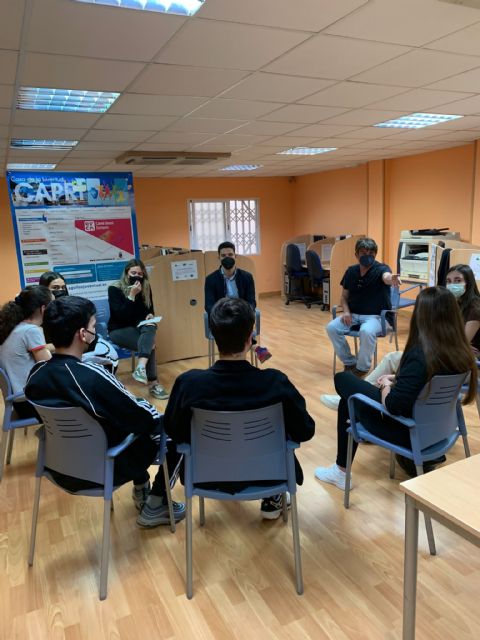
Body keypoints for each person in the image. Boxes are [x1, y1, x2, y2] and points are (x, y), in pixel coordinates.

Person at [24, 295, 185, 528]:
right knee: (173, 428)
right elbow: (143, 419)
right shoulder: (92, 375)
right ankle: (157, 503)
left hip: (58, 466)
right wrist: (145, 406)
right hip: (102, 469)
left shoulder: (36, 374)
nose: (95, 331)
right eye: (93, 326)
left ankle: (142, 487)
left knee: (116, 422)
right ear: (82, 334)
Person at [163, 297, 315, 520]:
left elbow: (173, 430)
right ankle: (273, 498)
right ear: (250, 338)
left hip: (207, 475)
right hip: (270, 475)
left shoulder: (188, 384)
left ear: (213, 335)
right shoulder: (276, 383)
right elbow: (305, 430)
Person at [315, 286, 477, 490]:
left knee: (344, 382)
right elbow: (427, 379)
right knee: (350, 400)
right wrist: (397, 378)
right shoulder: (461, 353)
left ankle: (340, 471)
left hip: (409, 431)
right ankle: (340, 470)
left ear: (420, 316)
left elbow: (392, 405)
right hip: (440, 430)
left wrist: (386, 385)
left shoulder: (420, 354)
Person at [321, 263, 480, 412]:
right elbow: (451, 341)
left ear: (469, 282)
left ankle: (353, 397)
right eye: (449, 281)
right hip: (448, 357)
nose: (452, 285)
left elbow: (457, 343)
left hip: (458, 362)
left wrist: (389, 383)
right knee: (393, 359)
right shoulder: (454, 304)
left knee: (397, 363)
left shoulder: (473, 308)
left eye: (458, 280)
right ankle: (355, 396)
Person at [326, 237, 401, 377]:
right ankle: (350, 362)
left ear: (375, 255)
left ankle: (362, 368)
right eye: (364, 253)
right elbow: (344, 297)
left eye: (371, 253)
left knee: (366, 331)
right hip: (353, 315)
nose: (368, 256)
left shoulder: (381, 269)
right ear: (356, 255)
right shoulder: (351, 271)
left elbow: (386, 277)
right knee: (331, 328)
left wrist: (391, 279)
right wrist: (346, 312)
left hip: (378, 317)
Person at [108, 259, 168, 400]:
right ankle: (153, 383)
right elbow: (121, 316)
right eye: (133, 273)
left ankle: (141, 367)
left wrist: (150, 315)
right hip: (118, 329)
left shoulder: (146, 287)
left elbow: (149, 309)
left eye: (140, 274)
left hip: (138, 327)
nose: (137, 276)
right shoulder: (114, 288)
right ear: (126, 273)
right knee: (150, 344)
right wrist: (132, 295)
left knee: (151, 325)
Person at [204, 241, 271, 364]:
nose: (227, 258)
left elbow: (251, 301)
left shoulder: (247, 277)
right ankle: (255, 347)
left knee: (239, 322)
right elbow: (209, 305)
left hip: (241, 315)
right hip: (221, 318)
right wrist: (221, 316)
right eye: (223, 256)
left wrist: (245, 313)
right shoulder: (210, 279)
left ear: (235, 256)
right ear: (219, 258)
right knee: (232, 326)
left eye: (230, 255)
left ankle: (234, 362)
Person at [39, 270, 119, 371]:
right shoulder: (39, 315)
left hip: (81, 353)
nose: (60, 291)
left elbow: (84, 339)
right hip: (58, 361)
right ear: (44, 290)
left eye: (63, 287)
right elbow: (40, 349)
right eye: (55, 288)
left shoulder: (71, 310)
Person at [0, 286, 53, 419]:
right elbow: (48, 367)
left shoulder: (15, 327)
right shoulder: (31, 330)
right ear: (43, 309)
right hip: (32, 403)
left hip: (20, 403)